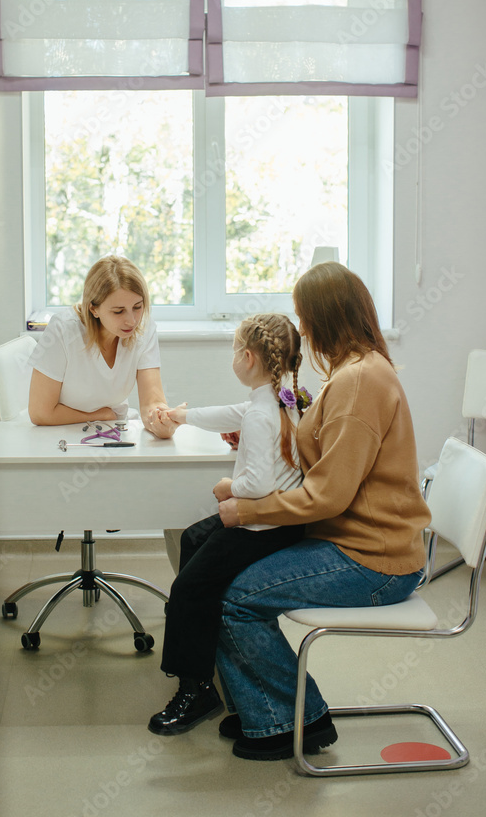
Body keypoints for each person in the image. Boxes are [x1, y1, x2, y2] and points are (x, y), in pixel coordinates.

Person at [213, 262, 431, 761]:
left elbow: (328, 495)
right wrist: (260, 439)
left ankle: (299, 722)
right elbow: (327, 455)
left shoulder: (359, 382)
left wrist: (246, 510)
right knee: (227, 574)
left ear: (322, 318)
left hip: (371, 560)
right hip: (357, 541)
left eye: (303, 317)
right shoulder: (359, 370)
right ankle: (268, 709)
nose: (301, 330)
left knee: (234, 596)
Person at [147, 313, 310, 736]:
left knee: (187, 589)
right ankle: (205, 655)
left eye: (233, 350)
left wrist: (227, 485)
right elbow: (232, 413)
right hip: (284, 522)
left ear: (247, 357)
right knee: (193, 538)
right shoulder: (282, 396)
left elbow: (255, 486)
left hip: (263, 528)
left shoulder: (261, 415)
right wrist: (182, 416)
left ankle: (195, 689)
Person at [28, 255, 175, 439]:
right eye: (118, 311)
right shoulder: (63, 330)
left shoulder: (144, 328)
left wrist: (161, 419)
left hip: (112, 428)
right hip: (61, 432)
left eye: (137, 307)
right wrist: (98, 416)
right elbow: (40, 413)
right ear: (93, 309)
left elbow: (152, 401)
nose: (132, 320)